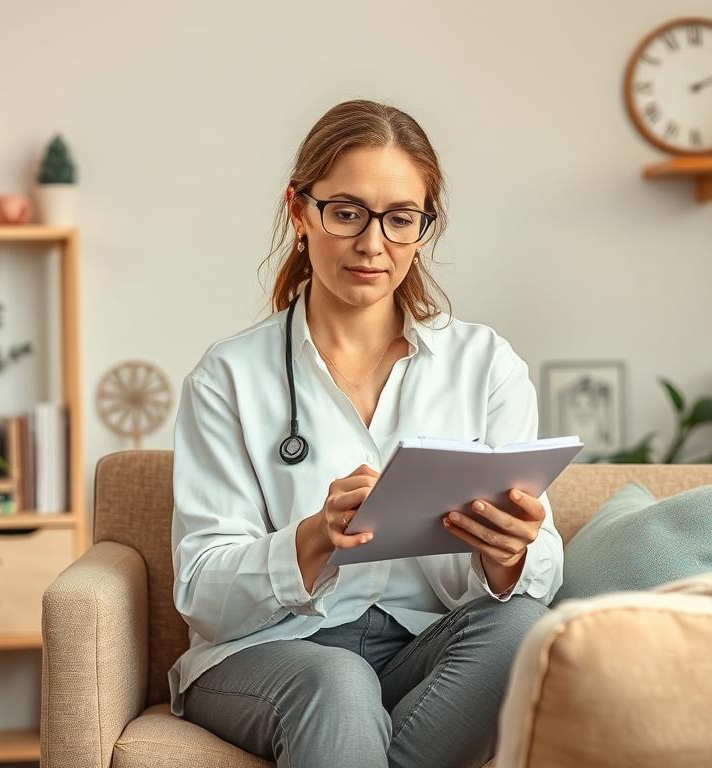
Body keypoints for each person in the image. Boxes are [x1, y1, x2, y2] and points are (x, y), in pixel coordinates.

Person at [170, 99, 564, 768]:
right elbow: (202, 593)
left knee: (524, 627)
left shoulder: (486, 365)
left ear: (422, 227)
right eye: (346, 212)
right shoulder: (228, 377)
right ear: (300, 211)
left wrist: (509, 558)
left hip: (423, 649)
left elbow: (540, 566)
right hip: (270, 655)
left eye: (399, 218)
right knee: (339, 682)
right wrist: (314, 539)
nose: (373, 243)